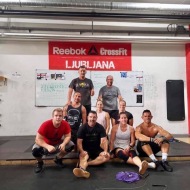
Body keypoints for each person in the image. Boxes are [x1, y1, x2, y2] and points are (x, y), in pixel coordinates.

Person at [32, 108, 74, 173]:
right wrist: (47, 146)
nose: (58, 117)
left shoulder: (65, 124)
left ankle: (58, 158)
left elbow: (68, 136)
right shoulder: (45, 124)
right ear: (53, 117)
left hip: (57, 144)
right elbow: (37, 139)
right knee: (35, 150)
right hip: (45, 145)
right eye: (56, 115)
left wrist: (63, 144)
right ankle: (40, 162)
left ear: (62, 117)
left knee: (71, 145)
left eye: (60, 116)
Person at [73, 111, 110, 178]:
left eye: (94, 117)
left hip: (97, 149)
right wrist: (81, 151)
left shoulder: (100, 127)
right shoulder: (82, 128)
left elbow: (104, 140)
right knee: (83, 157)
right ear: (87, 117)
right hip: (85, 149)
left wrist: (105, 151)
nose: (92, 119)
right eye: (90, 117)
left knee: (107, 157)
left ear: (96, 118)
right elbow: (79, 142)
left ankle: (87, 164)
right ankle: (82, 170)